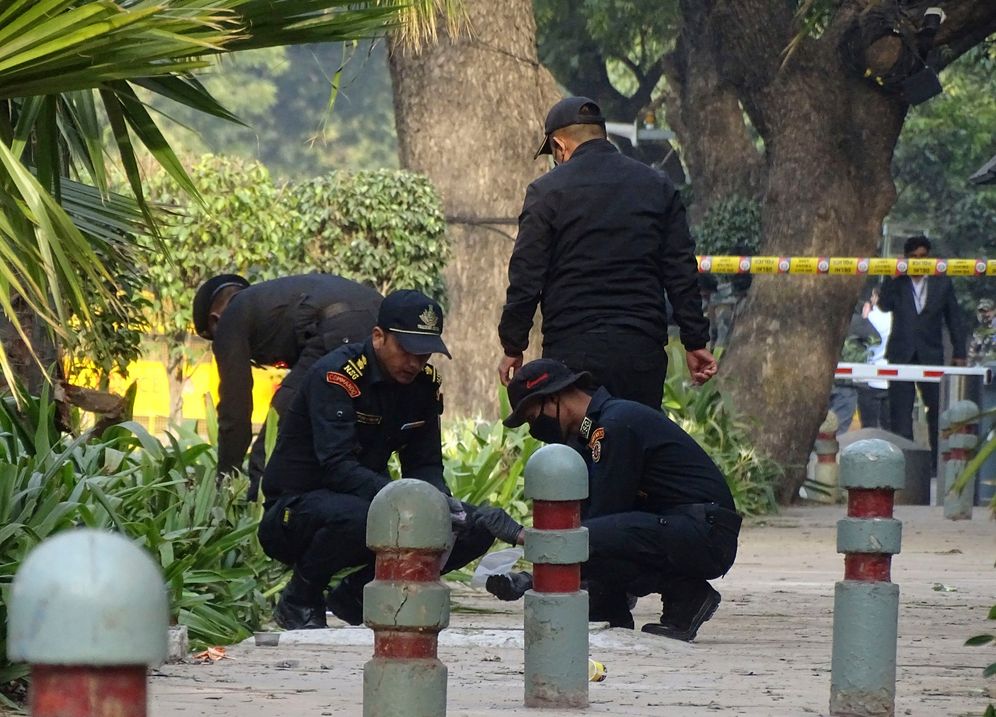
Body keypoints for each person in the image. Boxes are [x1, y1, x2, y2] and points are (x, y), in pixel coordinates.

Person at [256, 289, 494, 631]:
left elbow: (424, 464)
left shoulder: (423, 385)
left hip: (366, 503)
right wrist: (404, 502)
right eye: (407, 351)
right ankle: (300, 598)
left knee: (471, 526)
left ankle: (356, 595)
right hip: (296, 512)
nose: (415, 363)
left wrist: (440, 506)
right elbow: (336, 468)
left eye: (425, 353)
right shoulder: (338, 376)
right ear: (378, 337)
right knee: (363, 516)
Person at [477, 358, 740, 642]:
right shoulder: (597, 430)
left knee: (591, 535)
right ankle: (615, 606)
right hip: (687, 527)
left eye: (532, 418)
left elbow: (602, 523)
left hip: (706, 533)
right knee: (594, 532)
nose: (534, 429)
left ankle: (684, 594)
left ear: (552, 397)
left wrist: (525, 544)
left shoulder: (614, 425)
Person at [497, 96, 716, 409]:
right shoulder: (657, 185)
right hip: (640, 352)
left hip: (571, 354)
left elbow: (526, 277)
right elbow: (680, 270)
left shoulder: (546, 192)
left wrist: (513, 346)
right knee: (633, 444)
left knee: (578, 453)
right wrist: (695, 341)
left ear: (559, 146)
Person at [193, 273, 382, 500]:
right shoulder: (272, 300)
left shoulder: (230, 317)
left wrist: (225, 480)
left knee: (271, 447)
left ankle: (260, 525)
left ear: (214, 320)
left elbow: (235, 409)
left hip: (339, 328)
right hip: (381, 323)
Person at [878, 235, 966, 465]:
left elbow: (954, 319)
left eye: (922, 257)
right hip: (901, 355)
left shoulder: (942, 283)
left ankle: (938, 464)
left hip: (931, 355)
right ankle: (903, 465)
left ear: (929, 258)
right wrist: (891, 275)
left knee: (937, 411)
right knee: (900, 413)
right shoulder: (897, 282)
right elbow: (883, 305)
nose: (918, 261)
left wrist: (959, 353)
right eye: (913, 257)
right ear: (906, 258)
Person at [855, 287, 892, 430]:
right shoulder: (897, 317)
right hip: (891, 378)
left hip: (868, 378)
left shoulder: (870, 317)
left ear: (876, 297)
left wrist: (864, 317)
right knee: (889, 429)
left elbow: (859, 343)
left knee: (868, 428)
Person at [968, 298, 996, 367]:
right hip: (980, 366)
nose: (983, 314)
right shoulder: (979, 331)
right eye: (981, 311)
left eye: (986, 311)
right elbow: (972, 351)